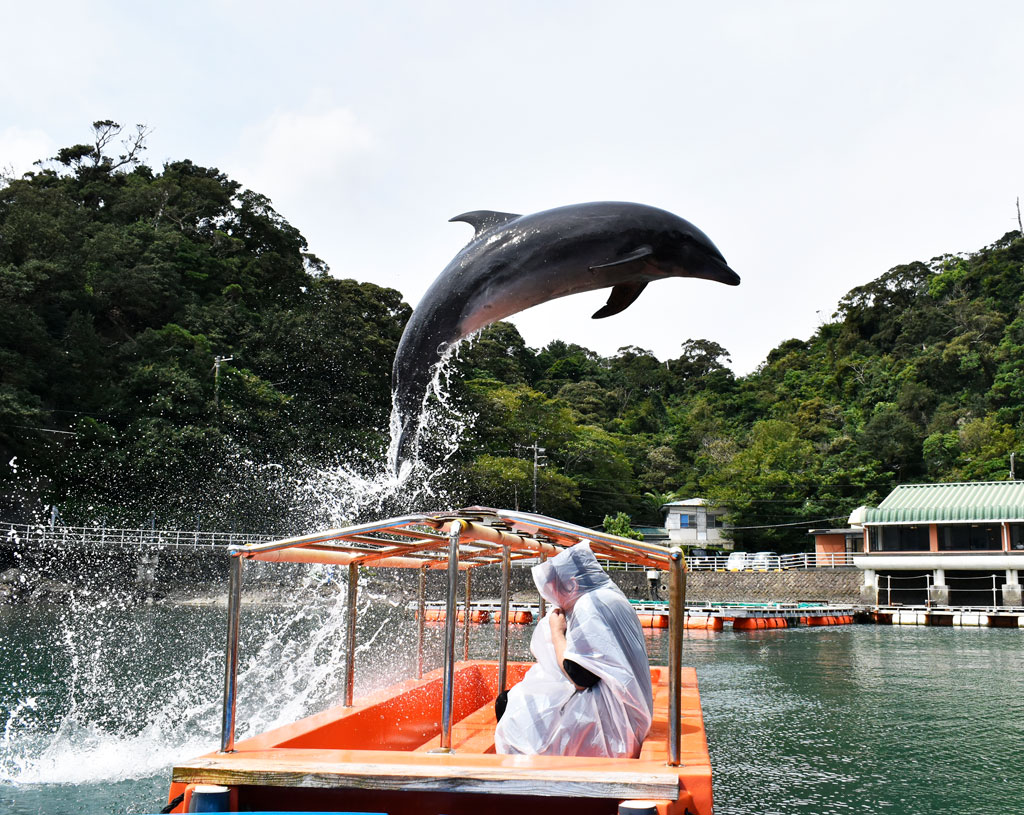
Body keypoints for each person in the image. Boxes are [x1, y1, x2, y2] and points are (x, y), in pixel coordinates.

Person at [494, 542, 653, 758]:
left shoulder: (590, 606)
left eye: (556, 588)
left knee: (509, 704)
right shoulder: (608, 597)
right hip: (626, 712)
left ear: (572, 584)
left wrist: (556, 632)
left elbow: (580, 677)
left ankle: (521, 775)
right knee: (519, 699)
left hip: (612, 727)